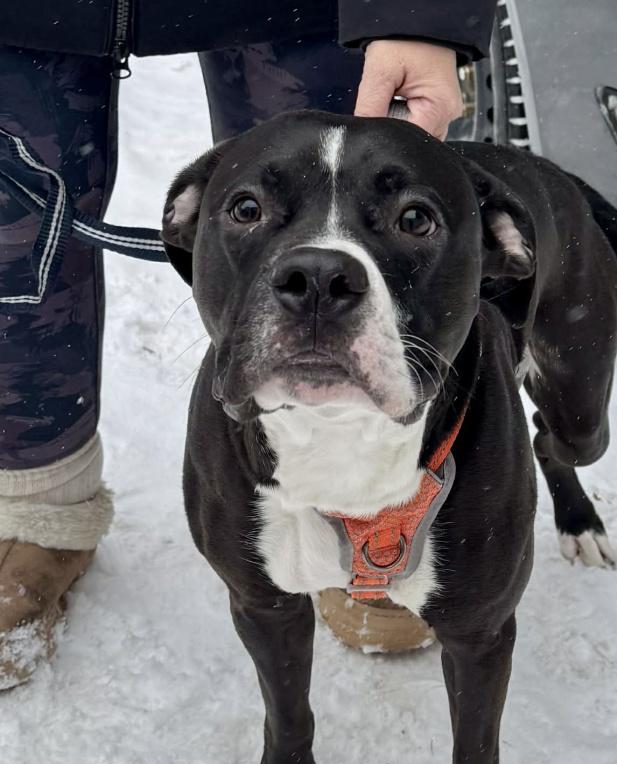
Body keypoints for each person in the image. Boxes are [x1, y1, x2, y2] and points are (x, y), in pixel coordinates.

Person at [0, 1, 497, 688]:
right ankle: (39, 508)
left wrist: (418, 10)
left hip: (303, 6)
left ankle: (365, 520)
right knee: (11, 244)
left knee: (341, 197)